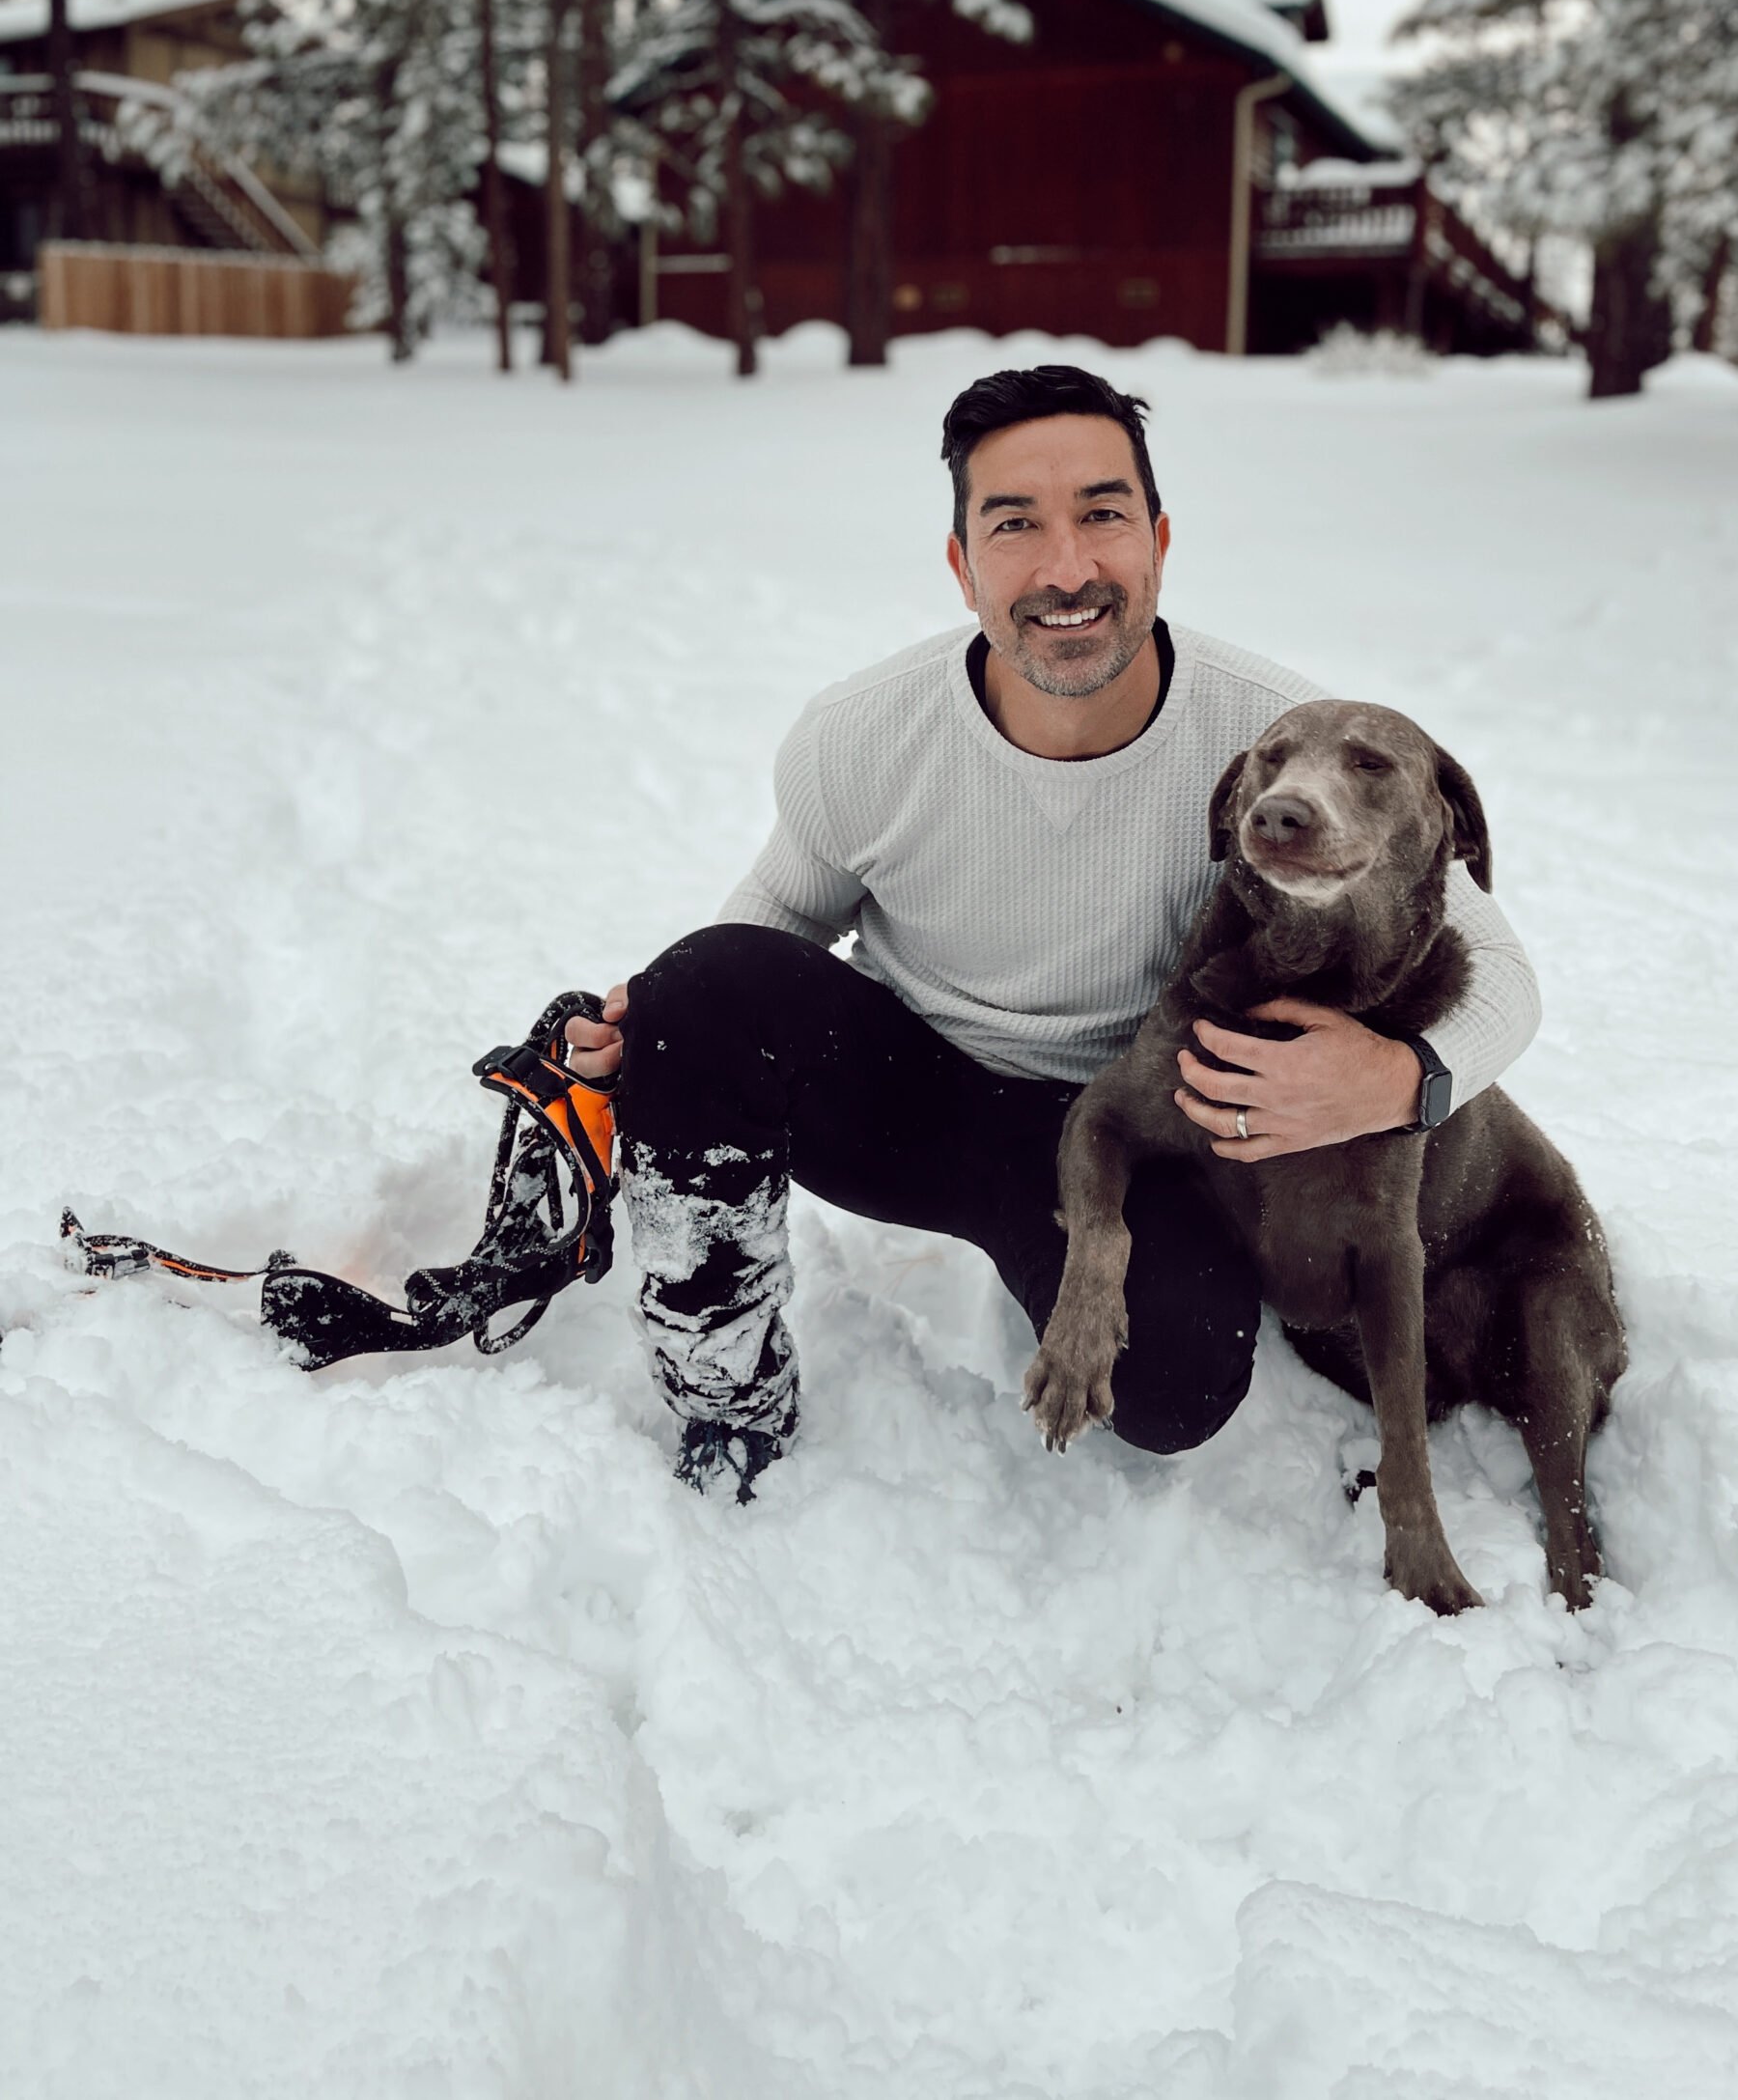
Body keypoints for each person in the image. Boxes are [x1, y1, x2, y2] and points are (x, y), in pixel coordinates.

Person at [566, 364, 1539, 1499]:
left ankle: (1048, 1263)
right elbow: (773, 922)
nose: (1065, 568)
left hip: (1126, 1138)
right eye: (1014, 524)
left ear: (1159, 541)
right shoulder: (862, 733)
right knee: (693, 989)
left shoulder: (1276, 741)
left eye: (1101, 514)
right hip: (908, 1099)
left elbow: (1504, 976)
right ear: (961, 562)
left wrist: (1396, 1080)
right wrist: (670, 1033)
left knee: (1174, 1388)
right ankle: (721, 1393)